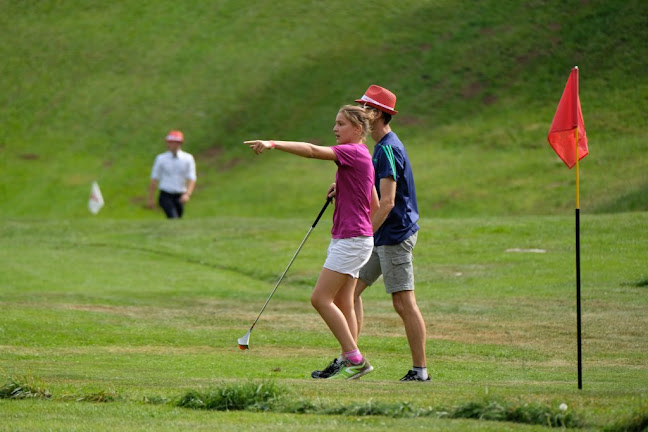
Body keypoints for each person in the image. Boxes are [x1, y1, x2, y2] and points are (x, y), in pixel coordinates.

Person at [244, 105, 379, 380]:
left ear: (357, 129)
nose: (335, 129)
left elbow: (312, 150)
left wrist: (273, 143)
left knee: (320, 299)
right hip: (356, 238)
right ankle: (348, 357)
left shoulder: (352, 152)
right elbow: (373, 203)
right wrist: (345, 190)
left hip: (352, 240)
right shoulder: (362, 155)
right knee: (343, 300)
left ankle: (356, 358)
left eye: (341, 124)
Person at [312, 85, 430, 382]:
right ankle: (349, 358)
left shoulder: (388, 148)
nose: (360, 111)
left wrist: (365, 234)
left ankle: (420, 371)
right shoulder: (377, 148)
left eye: (365, 107)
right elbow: (372, 189)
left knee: (403, 302)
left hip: (393, 234)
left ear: (376, 113)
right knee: (347, 294)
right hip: (375, 234)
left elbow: (388, 202)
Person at [148, 130, 197, 219]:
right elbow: (154, 178)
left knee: (178, 217)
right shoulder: (161, 158)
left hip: (180, 194)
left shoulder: (188, 158)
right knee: (173, 218)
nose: (172, 145)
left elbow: (192, 178)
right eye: (170, 142)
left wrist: (187, 194)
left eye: (175, 142)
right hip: (166, 194)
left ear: (180, 143)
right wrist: (151, 198)